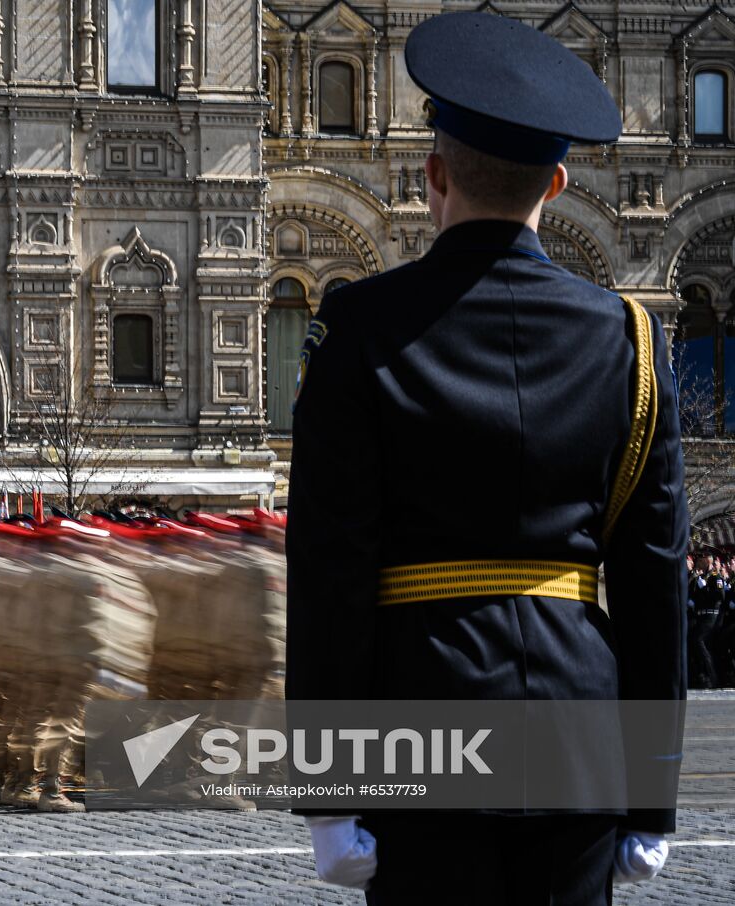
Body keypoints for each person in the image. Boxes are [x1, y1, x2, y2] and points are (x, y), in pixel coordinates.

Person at [286, 11, 687, 905]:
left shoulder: (358, 329)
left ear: (433, 174)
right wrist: (652, 799)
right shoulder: (630, 339)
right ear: (557, 180)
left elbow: (329, 570)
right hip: (580, 738)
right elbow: (656, 581)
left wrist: (326, 794)